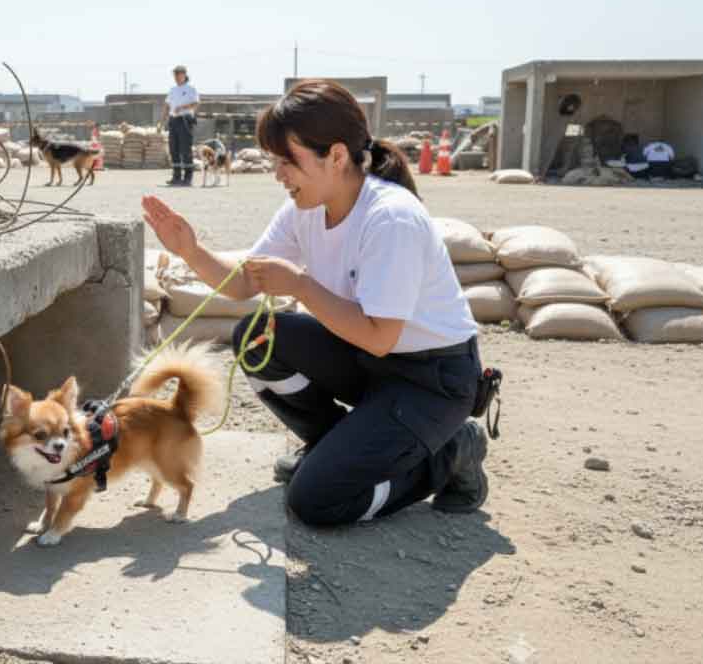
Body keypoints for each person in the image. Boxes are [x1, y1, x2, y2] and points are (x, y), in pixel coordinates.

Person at [141, 79, 491, 526]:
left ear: (337, 155)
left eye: (289, 161)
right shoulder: (303, 209)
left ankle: (450, 454)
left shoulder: (391, 218)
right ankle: (332, 446)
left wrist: (302, 286)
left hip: (428, 379)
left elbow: (381, 337)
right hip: (366, 359)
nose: (278, 175)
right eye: (275, 162)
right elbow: (245, 283)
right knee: (253, 337)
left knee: (318, 502)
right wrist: (190, 250)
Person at [162, 65, 199, 186]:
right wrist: (163, 120)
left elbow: (195, 103)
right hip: (173, 121)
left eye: (178, 74)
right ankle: (176, 176)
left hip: (185, 120)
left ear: (184, 75)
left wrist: (182, 107)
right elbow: (167, 105)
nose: (176, 77)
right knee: (174, 149)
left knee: (185, 149)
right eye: (175, 75)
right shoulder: (172, 90)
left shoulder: (190, 89)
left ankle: (188, 177)